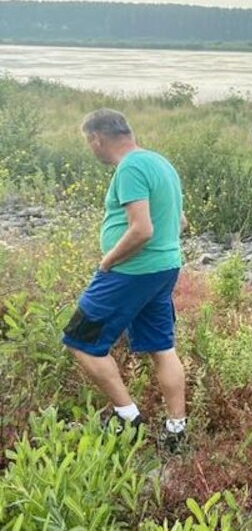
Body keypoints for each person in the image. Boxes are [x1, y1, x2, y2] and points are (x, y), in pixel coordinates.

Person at [62, 108, 189, 451]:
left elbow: (142, 229)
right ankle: (176, 431)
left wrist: (107, 261)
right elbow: (180, 222)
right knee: (162, 347)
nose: (90, 148)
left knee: (79, 339)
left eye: (88, 142)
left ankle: (127, 417)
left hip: (131, 272)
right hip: (164, 269)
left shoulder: (130, 168)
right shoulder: (160, 163)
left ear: (96, 138)